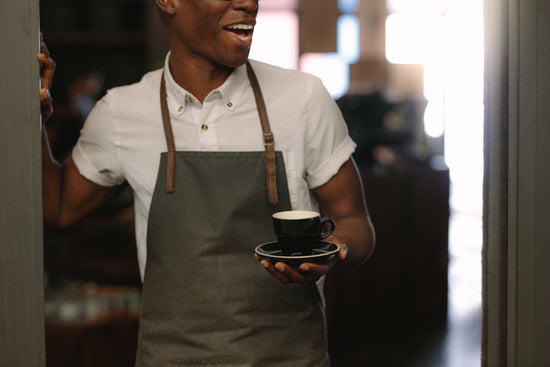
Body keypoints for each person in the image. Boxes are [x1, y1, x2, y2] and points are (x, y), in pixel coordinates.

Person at [39, 0, 375, 365]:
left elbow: (354, 220)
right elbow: (58, 209)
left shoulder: (303, 98)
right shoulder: (121, 112)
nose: (249, 3)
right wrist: (30, 114)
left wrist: (332, 251)